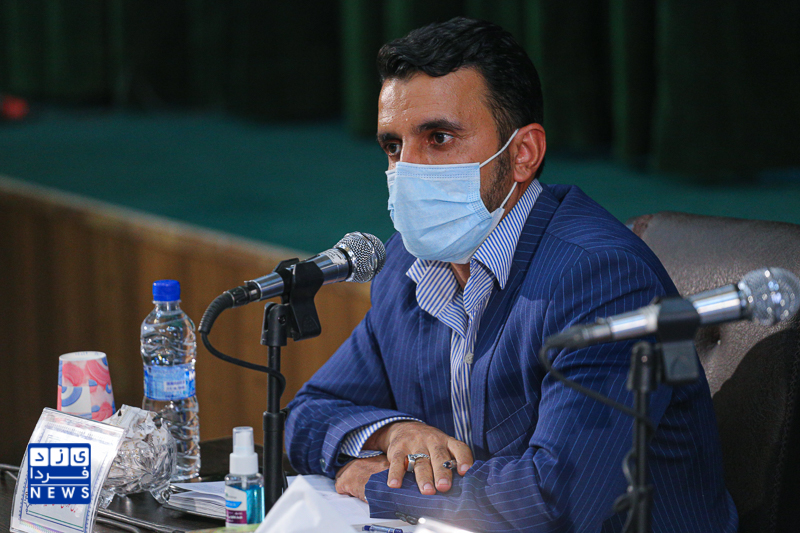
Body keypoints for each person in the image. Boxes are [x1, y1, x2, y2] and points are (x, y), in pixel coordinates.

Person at [285, 17, 738, 532]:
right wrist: (392, 433)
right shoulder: (405, 267)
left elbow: (556, 499)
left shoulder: (601, 278)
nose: (406, 170)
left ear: (523, 154)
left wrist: (381, 485)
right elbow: (308, 414)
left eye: (438, 138)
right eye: (393, 146)